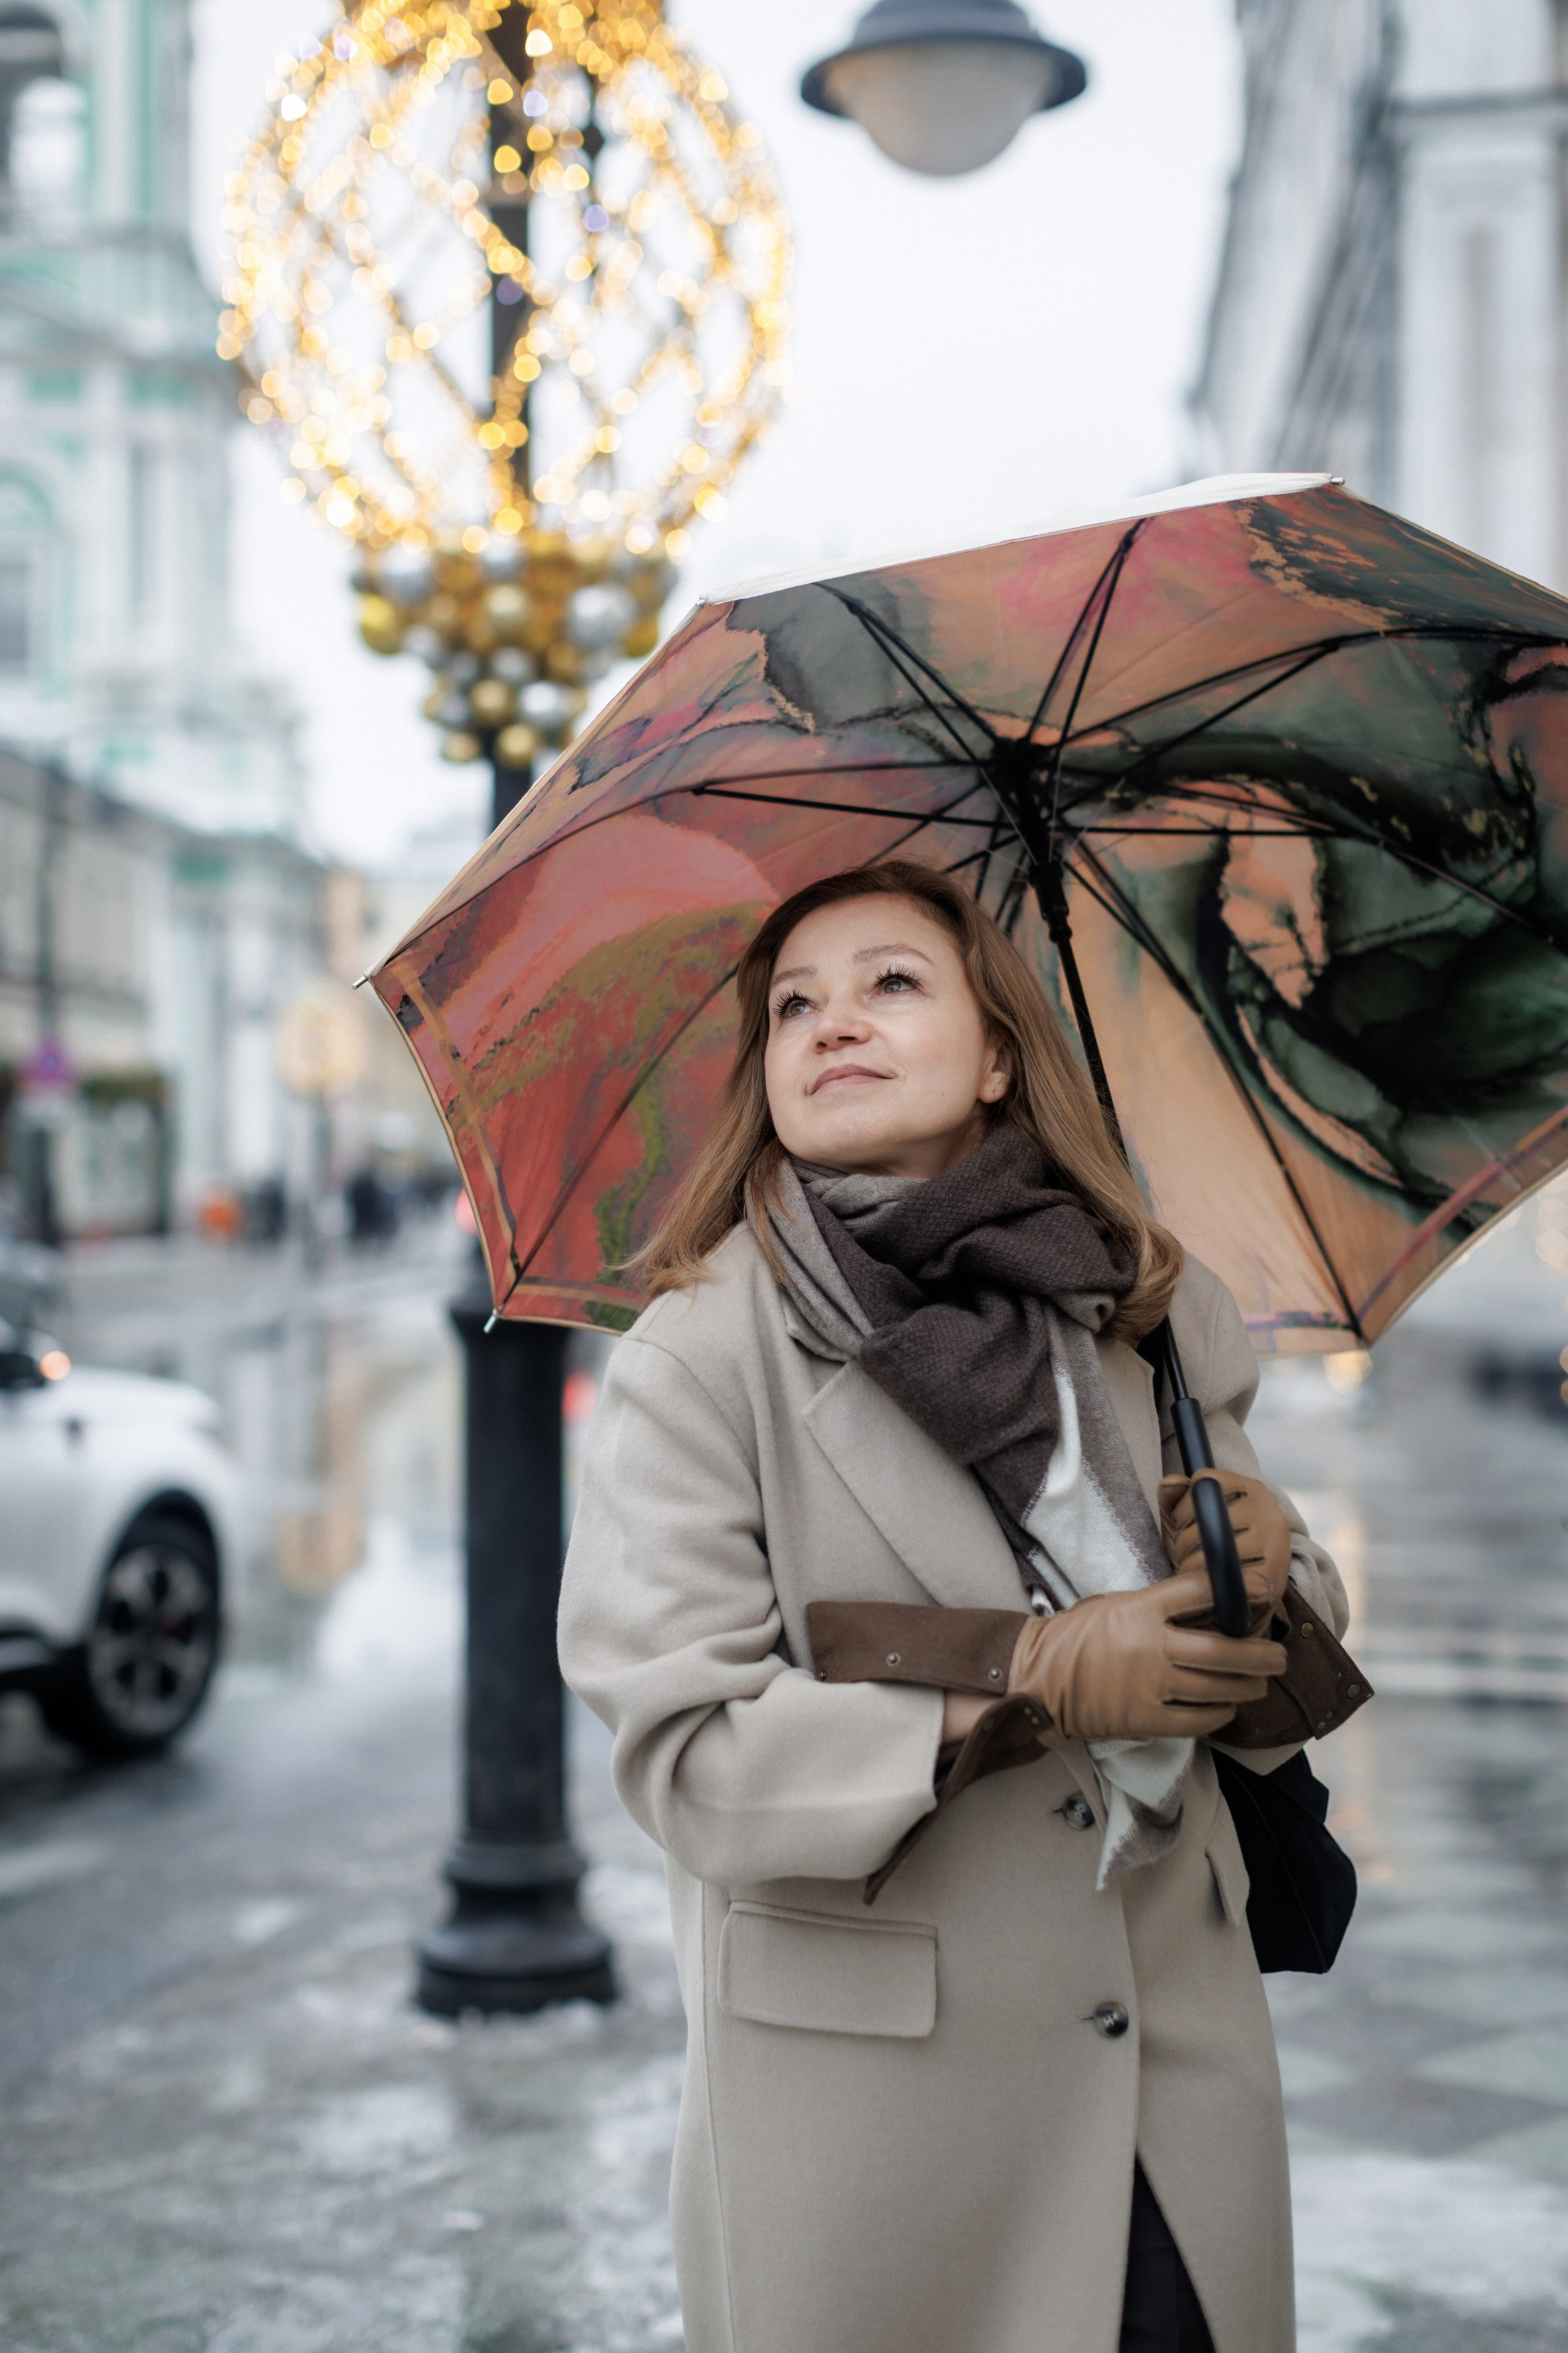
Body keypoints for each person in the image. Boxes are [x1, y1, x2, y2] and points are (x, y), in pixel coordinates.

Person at [559, 860, 1351, 2353]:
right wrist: (1030, 1682)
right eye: (793, 1002)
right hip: (878, 2130)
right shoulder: (698, 1355)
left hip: (1171, 2083)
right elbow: (687, 1755)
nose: (830, 1022)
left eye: (890, 983)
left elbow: (1266, 1649)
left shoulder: (1146, 1307)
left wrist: (1272, 1562)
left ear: (998, 1052)